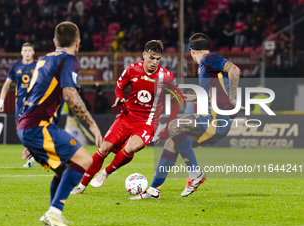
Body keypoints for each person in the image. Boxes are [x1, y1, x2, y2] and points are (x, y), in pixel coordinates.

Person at [130, 33, 241, 199]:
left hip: (216, 120)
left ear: (191, 51)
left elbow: (234, 69)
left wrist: (232, 98)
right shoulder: (208, 67)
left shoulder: (208, 59)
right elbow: (214, 92)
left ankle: (195, 173)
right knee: (171, 143)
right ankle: (153, 191)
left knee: (174, 125)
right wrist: (194, 97)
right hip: (216, 121)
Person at [16, 21, 102, 226]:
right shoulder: (69, 59)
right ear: (78, 42)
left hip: (28, 125)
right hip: (36, 126)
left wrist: (29, 137)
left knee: (64, 170)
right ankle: (54, 212)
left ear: (55, 41)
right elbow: (70, 96)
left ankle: (53, 216)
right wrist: (93, 126)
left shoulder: (44, 59)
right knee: (85, 160)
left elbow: (34, 96)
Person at [71, 40, 182, 194]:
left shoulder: (167, 77)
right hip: (127, 116)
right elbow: (119, 87)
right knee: (104, 148)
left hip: (148, 122)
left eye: (157, 59)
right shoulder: (132, 69)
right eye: (151, 58)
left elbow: (177, 101)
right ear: (144, 55)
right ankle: (81, 186)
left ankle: (105, 172)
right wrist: (119, 96)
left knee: (132, 147)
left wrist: (169, 125)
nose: (154, 62)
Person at [0, 42, 37, 168]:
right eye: (24, 50)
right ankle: (33, 156)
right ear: (21, 52)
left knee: (33, 130)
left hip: (34, 103)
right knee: (22, 132)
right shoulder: (16, 67)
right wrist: (1, 101)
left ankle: (33, 158)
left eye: (29, 50)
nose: (27, 53)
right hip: (20, 104)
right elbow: (7, 84)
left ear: (33, 52)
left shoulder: (38, 66)